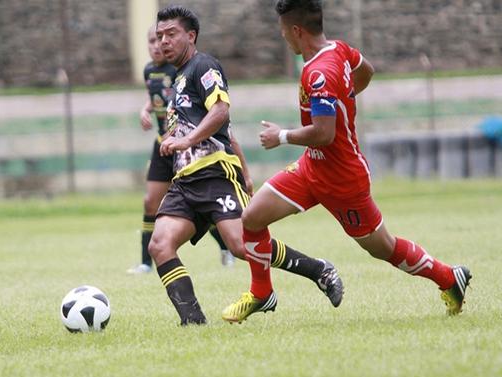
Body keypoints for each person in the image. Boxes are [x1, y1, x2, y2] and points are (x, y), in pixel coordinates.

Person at [222, 0, 471, 323]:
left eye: (284, 32)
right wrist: (346, 95)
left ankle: (449, 277)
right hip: (312, 168)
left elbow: (324, 134)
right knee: (252, 217)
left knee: (382, 247)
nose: (283, 37)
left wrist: (281, 136)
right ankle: (261, 293)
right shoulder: (338, 50)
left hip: (343, 179)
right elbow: (366, 71)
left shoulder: (319, 74)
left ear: (297, 31)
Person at [150, 5, 343, 326]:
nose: (164, 41)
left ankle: (318, 269)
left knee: (241, 245)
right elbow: (221, 129)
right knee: (160, 244)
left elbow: (221, 113)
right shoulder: (179, 79)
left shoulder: (204, 66)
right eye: (160, 36)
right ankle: (193, 322)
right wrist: (174, 136)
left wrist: (186, 142)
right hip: (184, 182)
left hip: (214, 173)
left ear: (191, 36)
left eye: (171, 34)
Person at [127, 25, 236, 275]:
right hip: (161, 144)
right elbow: (156, 96)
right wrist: (145, 110)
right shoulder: (149, 71)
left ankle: (226, 247)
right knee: (150, 202)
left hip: (185, 146)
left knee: (198, 204)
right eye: (152, 40)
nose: (157, 45)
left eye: (161, 39)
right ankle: (145, 263)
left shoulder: (180, 69)